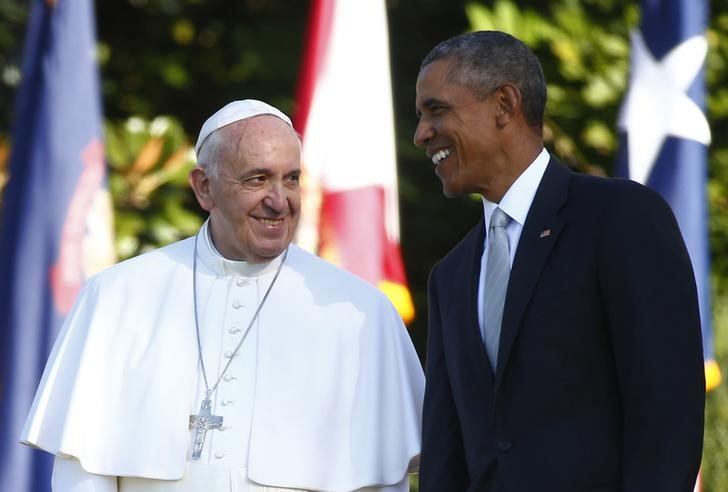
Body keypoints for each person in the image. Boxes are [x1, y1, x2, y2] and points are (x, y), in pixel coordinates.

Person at [21, 99, 424, 491]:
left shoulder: (359, 313)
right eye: (257, 179)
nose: (279, 201)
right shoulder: (117, 297)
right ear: (204, 188)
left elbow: (381, 480)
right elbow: (83, 472)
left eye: (291, 178)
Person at [413, 30, 705, 491]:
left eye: (437, 109)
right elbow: (446, 460)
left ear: (505, 105)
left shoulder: (620, 219)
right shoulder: (449, 277)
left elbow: (667, 417)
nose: (421, 134)